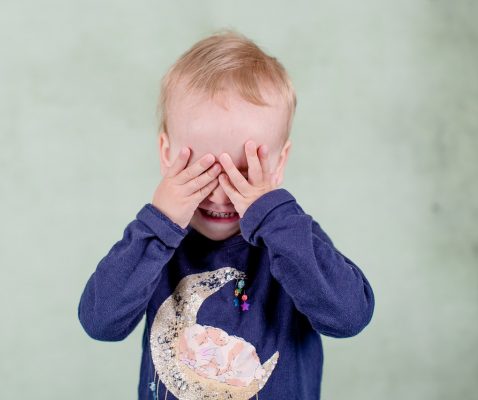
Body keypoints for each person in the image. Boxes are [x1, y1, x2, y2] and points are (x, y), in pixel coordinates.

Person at [78, 29, 375, 400]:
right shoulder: (155, 243)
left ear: (279, 164)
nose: (220, 194)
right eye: (201, 169)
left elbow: (349, 317)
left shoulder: (292, 239)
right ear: (166, 154)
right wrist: (158, 224)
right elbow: (100, 322)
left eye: (244, 171)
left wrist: (276, 219)